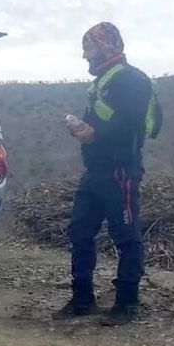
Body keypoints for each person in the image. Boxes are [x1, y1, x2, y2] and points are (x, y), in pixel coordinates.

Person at [56, 22, 154, 326]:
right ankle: (82, 299)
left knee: (126, 236)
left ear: (107, 46)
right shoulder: (102, 81)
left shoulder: (132, 79)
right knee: (80, 231)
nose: (85, 55)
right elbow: (100, 121)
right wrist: (82, 130)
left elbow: (131, 124)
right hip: (95, 171)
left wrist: (94, 134)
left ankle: (127, 303)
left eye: (89, 48)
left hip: (120, 170)